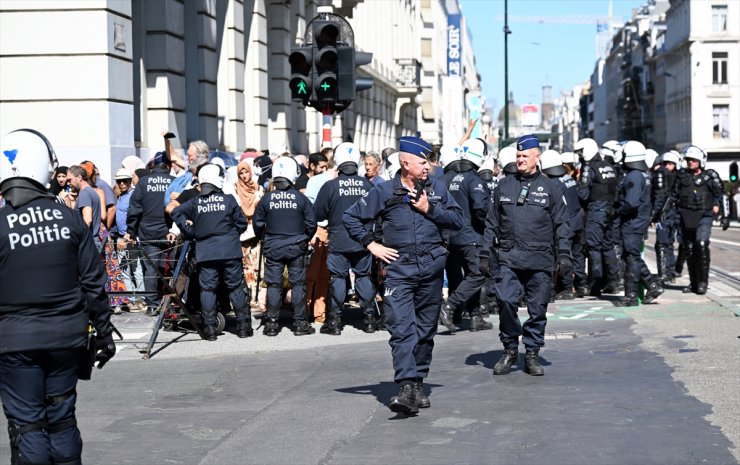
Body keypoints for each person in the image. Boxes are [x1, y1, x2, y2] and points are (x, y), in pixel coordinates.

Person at [0, 129, 116, 465]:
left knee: (29, 426)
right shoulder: (68, 219)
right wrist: (105, 333)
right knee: (62, 419)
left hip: (14, 339)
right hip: (67, 335)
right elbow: (94, 283)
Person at [344, 136, 464, 415]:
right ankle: (406, 385)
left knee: (425, 330)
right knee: (401, 330)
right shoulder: (384, 191)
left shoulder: (438, 189)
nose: (428, 167)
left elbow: (458, 221)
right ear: (405, 162)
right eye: (423, 162)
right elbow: (351, 218)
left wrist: (429, 209)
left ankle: (418, 382)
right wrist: (371, 245)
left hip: (432, 268)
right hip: (399, 270)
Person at [484, 135, 571, 377]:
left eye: (525, 156)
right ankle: (510, 348)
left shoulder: (552, 187)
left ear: (537, 157)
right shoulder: (504, 185)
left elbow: (562, 224)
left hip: (540, 258)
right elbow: (491, 223)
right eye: (518, 156)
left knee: (537, 309)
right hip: (509, 257)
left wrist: (564, 255)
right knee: (506, 301)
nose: (520, 160)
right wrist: (484, 253)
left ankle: (532, 352)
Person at [171, 163, 253, 340]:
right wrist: (230, 235)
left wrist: (190, 231)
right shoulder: (229, 200)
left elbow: (175, 212)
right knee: (236, 288)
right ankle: (244, 327)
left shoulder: (195, 202)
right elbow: (241, 223)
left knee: (208, 290)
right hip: (230, 250)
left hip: (206, 251)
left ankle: (209, 329)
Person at [314, 142, 377, 335]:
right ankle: (369, 320)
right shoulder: (368, 184)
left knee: (338, 278)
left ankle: (334, 322)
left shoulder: (330, 186)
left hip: (339, 238)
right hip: (363, 238)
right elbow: (376, 211)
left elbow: (318, 213)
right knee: (363, 276)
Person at [252, 156, 317, 336]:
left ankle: (271, 324)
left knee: (274, 285)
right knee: (298, 285)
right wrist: (304, 238)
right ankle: (299, 324)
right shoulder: (301, 198)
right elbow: (312, 223)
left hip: (273, 246)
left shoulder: (267, 199)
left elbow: (257, 224)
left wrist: (266, 238)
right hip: (296, 246)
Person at [438, 137, 493, 333]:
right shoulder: (473, 179)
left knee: (459, 277)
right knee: (477, 275)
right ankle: (450, 307)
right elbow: (480, 208)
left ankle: (474, 316)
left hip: (451, 237)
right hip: (471, 236)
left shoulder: (449, 178)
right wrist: (489, 225)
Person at [665, 145, 730, 294]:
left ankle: (702, 283)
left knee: (701, 244)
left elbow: (722, 195)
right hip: (685, 217)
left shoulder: (711, 176)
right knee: (689, 250)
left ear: (701, 161)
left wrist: (725, 216)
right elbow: (673, 196)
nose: (690, 162)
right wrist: (663, 212)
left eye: (693, 160)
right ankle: (693, 283)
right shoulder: (681, 175)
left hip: (704, 216)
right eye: (688, 160)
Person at [123, 151, 174, 316]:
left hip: (148, 232)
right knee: (173, 267)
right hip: (170, 232)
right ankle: (174, 302)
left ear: (153, 165)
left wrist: (130, 230)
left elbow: (134, 209)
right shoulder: (173, 182)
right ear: (167, 166)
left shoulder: (143, 182)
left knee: (150, 269)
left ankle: (152, 305)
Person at [613, 141, 663, 306]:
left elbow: (631, 203)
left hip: (633, 222)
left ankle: (631, 296)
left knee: (632, 258)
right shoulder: (641, 174)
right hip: (637, 221)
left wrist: (616, 211)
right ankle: (652, 285)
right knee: (631, 255)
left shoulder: (634, 175)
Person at [573, 137, 619, 296]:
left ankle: (596, 283)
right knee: (607, 246)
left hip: (595, 210)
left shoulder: (588, 167)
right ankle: (613, 282)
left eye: (580, 152)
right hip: (609, 210)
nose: (579, 156)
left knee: (593, 246)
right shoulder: (607, 166)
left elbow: (583, 194)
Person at [539, 149, 583, 300]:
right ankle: (581, 285)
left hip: (565, 225)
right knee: (577, 255)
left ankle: (566, 287)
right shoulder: (568, 178)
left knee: (563, 256)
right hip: (577, 221)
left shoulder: (553, 183)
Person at [651, 151, 681, 284]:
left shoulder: (661, 174)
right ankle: (669, 272)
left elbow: (659, 197)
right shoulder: (680, 176)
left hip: (666, 214)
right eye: (666, 163)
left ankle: (665, 273)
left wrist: (654, 215)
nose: (667, 166)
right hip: (674, 214)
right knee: (668, 243)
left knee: (663, 244)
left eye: (670, 164)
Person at [66, 164, 103, 252]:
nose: (68, 183)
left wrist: (77, 238)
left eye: (70, 180)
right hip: (93, 242)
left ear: (79, 177)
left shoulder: (84, 193)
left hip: (88, 244)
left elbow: (87, 220)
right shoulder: (91, 191)